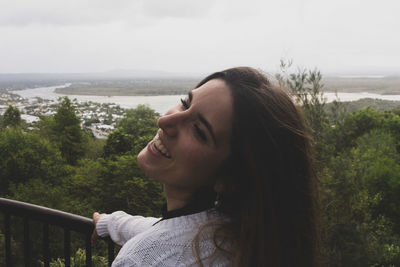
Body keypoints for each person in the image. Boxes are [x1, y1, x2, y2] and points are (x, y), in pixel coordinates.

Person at [92, 67, 319, 267]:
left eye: (199, 131)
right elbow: (174, 233)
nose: (164, 121)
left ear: (230, 178)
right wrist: (110, 223)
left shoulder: (142, 260)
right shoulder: (244, 240)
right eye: (185, 103)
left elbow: (166, 244)